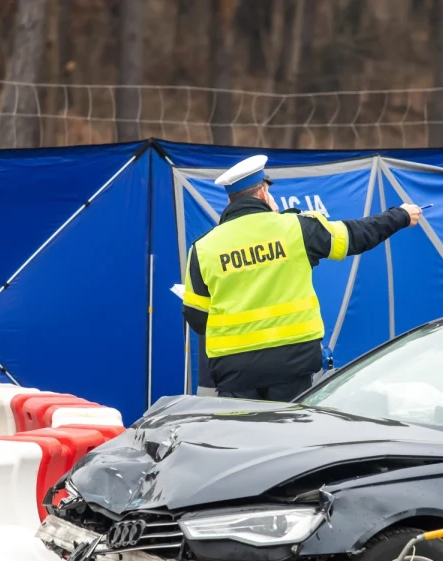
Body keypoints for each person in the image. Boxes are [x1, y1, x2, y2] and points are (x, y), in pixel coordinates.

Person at [181, 154, 422, 401]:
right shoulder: (297, 228)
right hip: (293, 364)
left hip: (235, 372)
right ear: (263, 194)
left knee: (243, 437)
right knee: (292, 436)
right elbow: (356, 235)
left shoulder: (203, 248)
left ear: (231, 199)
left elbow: (197, 318)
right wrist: (400, 216)